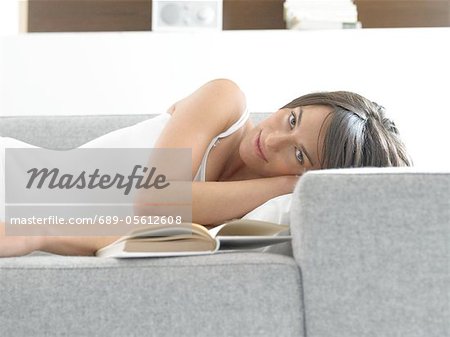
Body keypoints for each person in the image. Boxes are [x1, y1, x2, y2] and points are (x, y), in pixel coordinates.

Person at [0, 79, 411, 257]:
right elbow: (154, 200)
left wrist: (38, 231)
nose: (272, 139)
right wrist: (284, 181)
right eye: (292, 119)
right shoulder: (227, 101)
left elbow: (124, 229)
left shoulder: (247, 220)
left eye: (299, 155)